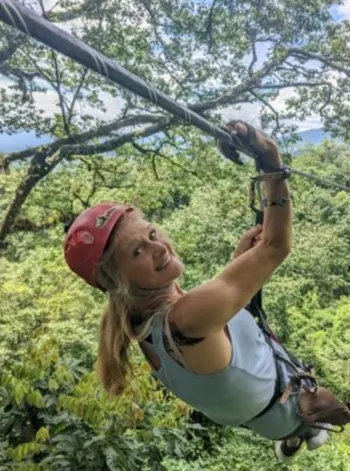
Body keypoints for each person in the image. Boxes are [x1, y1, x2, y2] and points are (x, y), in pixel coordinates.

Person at [63, 121, 326, 461]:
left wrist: (238, 263)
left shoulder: (140, 319)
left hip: (260, 416)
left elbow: (211, 325)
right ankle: (301, 432)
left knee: (292, 416)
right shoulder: (188, 320)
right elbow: (276, 247)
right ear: (116, 281)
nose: (157, 248)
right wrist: (271, 159)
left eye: (152, 234)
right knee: (325, 405)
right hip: (288, 407)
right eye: (137, 252)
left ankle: (291, 440)